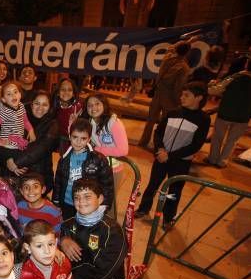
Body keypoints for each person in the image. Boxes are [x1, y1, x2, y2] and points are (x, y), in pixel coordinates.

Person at [135, 82, 211, 229]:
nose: (181, 97)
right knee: (153, 185)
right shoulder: (172, 112)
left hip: (180, 162)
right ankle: (143, 209)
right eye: (182, 94)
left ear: (199, 98)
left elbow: (196, 145)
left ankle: (168, 217)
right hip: (161, 157)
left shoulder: (203, 119)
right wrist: (159, 150)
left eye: (186, 95)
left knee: (174, 191)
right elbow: (158, 132)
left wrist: (170, 155)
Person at [59, 178, 127, 279]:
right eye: (77, 197)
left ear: (100, 199)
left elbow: (103, 269)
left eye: (87, 196)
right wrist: (62, 240)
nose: (81, 202)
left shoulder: (113, 230)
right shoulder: (68, 225)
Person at [206, 57, 251, 168]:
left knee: (217, 137)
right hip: (244, 116)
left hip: (226, 113)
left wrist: (210, 84)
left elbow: (214, 90)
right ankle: (222, 162)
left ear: (247, 65)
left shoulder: (235, 77)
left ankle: (212, 159)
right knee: (232, 141)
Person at [53, 118, 114, 220]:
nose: (78, 142)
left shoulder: (98, 159)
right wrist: (56, 201)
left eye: (83, 138)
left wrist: (104, 206)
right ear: (69, 136)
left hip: (88, 205)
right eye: (75, 137)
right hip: (67, 203)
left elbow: (107, 185)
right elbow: (58, 182)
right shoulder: (64, 159)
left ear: (89, 139)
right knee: (69, 229)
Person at [139, 41, 191, 147]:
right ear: (187, 53)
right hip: (170, 98)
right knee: (165, 123)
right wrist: (178, 102)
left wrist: (188, 41)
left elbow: (172, 48)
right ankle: (159, 144)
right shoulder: (184, 68)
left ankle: (143, 141)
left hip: (158, 93)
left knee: (150, 120)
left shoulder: (167, 58)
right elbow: (178, 86)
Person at [5, 91, 59, 192]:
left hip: (39, 176)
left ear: (50, 107)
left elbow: (41, 148)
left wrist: (16, 163)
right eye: (37, 103)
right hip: (16, 174)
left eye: (45, 105)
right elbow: (5, 140)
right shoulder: (19, 118)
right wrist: (8, 159)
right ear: (31, 104)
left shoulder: (53, 124)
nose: (40, 108)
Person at [83, 94, 129, 207]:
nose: (93, 108)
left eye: (97, 104)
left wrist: (97, 150)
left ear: (104, 105)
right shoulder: (89, 123)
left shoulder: (114, 123)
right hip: (96, 167)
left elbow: (123, 150)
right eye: (90, 105)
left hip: (113, 169)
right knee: (95, 200)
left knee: (108, 204)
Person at [0, 81, 36, 173]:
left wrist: (31, 130)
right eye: (9, 94)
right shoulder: (5, 111)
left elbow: (25, 121)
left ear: (20, 95)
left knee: (20, 169)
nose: (13, 95)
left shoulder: (21, 106)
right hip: (7, 147)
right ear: (4, 100)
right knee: (9, 171)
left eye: (15, 92)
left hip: (18, 145)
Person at [53, 78, 83, 155]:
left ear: (73, 93)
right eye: (63, 89)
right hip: (60, 138)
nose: (66, 92)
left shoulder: (79, 106)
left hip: (75, 138)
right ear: (58, 93)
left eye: (69, 90)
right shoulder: (54, 105)